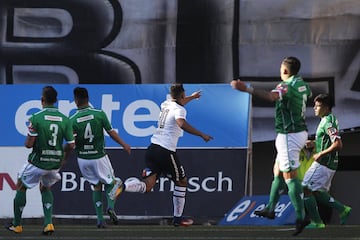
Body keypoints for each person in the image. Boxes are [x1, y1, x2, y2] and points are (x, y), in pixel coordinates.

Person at [231, 56, 312, 236]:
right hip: (297, 131)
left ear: (284, 71)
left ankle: (301, 216)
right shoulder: (303, 84)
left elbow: (271, 96)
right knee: (277, 171)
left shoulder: (286, 85)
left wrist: (246, 89)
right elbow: (303, 97)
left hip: (288, 134)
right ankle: (270, 207)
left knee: (290, 176)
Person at [122, 83, 213, 227]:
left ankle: (123, 186)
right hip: (165, 150)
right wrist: (201, 134)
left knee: (148, 186)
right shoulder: (179, 109)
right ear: (182, 94)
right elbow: (181, 123)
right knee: (181, 181)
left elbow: (179, 101)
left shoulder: (166, 103)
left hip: (152, 148)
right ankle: (178, 219)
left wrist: (193, 97)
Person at [6, 86, 75, 235]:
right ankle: (48, 223)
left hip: (38, 161)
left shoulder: (36, 117)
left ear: (42, 100)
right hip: (55, 162)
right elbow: (71, 145)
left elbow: (29, 144)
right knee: (45, 187)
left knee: (21, 184)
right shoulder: (66, 119)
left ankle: (17, 225)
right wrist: (63, 159)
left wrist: (29, 142)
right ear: (56, 101)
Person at [70, 87, 131, 228]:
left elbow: (71, 142)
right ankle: (110, 207)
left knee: (96, 186)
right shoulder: (99, 114)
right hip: (98, 156)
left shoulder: (72, 119)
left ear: (76, 100)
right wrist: (124, 144)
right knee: (116, 183)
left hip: (83, 159)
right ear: (87, 99)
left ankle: (100, 220)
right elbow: (111, 133)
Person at [302, 93, 352, 228]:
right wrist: (314, 143)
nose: (315, 108)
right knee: (317, 192)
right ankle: (343, 209)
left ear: (326, 107)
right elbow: (328, 141)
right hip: (328, 164)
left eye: (318, 106)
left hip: (323, 163)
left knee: (305, 188)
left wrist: (320, 154)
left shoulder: (328, 122)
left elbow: (338, 144)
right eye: (315, 105)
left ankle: (317, 222)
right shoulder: (327, 120)